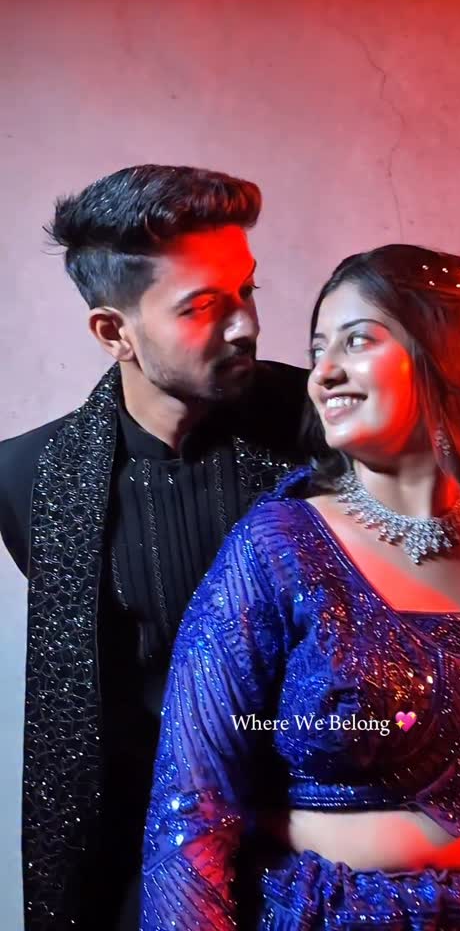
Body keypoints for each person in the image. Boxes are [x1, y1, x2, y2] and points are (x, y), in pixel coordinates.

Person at [142, 243, 460, 930]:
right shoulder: (278, 548)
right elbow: (192, 809)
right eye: (318, 349)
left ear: (447, 356)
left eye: (357, 340)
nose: (323, 374)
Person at [0, 165, 311, 931]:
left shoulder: (324, 426)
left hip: (327, 856)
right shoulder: (30, 479)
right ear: (114, 333)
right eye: (203, 306)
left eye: (247, 290)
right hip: (148, 871)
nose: (244, 325)